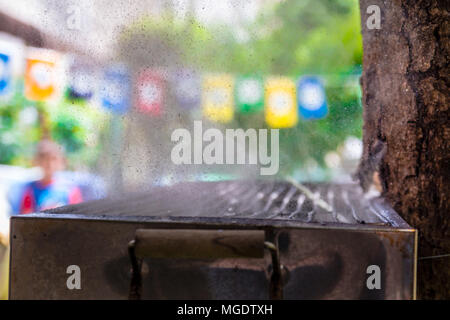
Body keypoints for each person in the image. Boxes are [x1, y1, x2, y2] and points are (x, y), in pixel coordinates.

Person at [19, 139, 82, 214]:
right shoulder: (31, 190)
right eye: (45, 159)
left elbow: (77, 216)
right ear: (38, 161)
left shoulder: (71, 190)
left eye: (54, 159)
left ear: (62, 162)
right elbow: (25, 218)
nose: (49, 163)